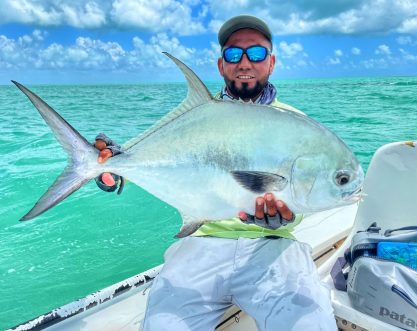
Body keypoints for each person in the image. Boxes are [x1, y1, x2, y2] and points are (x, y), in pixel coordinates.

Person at [95, 15, 337, 331]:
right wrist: (112, 169)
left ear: (272, 62)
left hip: (273, 245)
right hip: (201, 241)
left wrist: (288, 217)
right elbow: (140, 162)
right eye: (235, 54)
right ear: (222, 65)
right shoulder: (196, 119)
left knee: (310, 324)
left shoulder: (299, 126)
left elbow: (303, 196)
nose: (245, 62)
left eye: (257, 53)